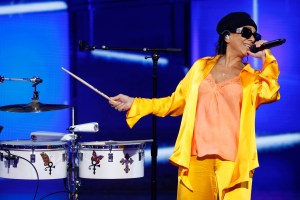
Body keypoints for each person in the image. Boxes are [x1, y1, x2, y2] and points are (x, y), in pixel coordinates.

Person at [109, 12, 280, 200]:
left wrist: (267, 58)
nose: (252, 39)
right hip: (196, 159)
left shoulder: (251, 77)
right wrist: (135, 102)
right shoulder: (200, 68)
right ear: (227, 36)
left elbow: (270, 93)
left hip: (233, 163)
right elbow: (175, 102)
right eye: (246, 32)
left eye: (255, 35)